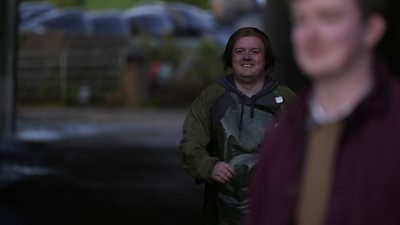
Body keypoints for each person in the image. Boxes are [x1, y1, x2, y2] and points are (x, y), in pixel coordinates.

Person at [245, 0, 400, 225]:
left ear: (371, 29)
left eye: (329, 17)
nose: (310, 34)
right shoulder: (283, 133)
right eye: (300, 20)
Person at [179, 27, 296, 225]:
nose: (247, 57)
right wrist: (210, 167)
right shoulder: (211, 98)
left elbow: (311, 148)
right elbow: (190, 146)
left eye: (255, 51)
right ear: (230, 58)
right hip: (222, 210)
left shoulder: (287, 100)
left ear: (266, 58)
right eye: (240, 51)